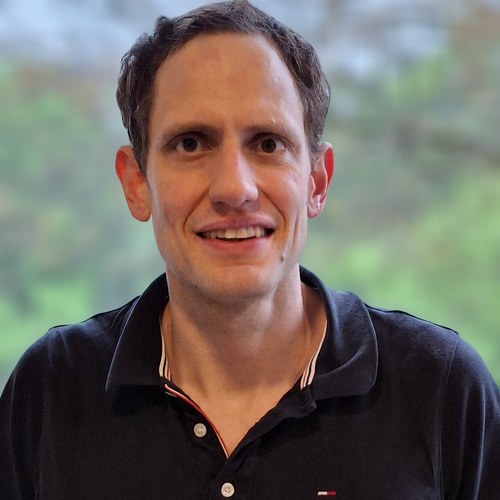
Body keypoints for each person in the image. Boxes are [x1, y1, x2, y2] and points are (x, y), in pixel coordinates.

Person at [1, 0, 499, 498]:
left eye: (267, 144)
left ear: (317, 182)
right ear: (136, 183)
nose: (233, 188)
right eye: (191, 143)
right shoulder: (50, 389)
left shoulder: (441, 389)